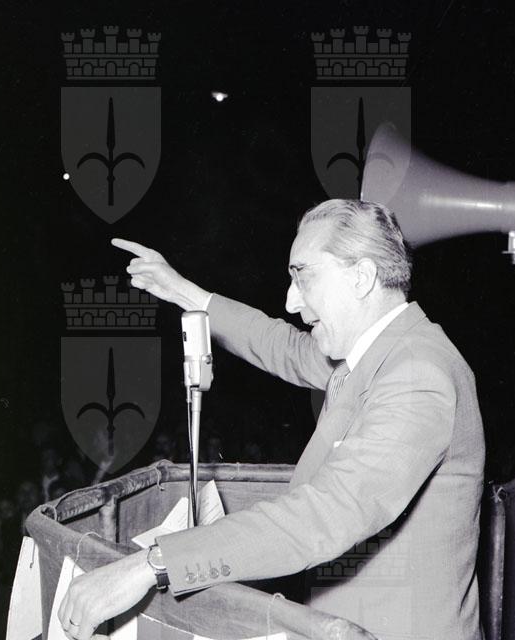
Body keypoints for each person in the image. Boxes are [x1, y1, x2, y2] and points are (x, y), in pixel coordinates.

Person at [58, 199, 485, 640]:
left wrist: (150, 566)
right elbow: (282, 346)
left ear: (361, 277)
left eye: (303, 276)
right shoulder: (376, 352)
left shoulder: (417, 375)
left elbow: (326, 515)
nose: (291, 300)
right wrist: (182, 291)